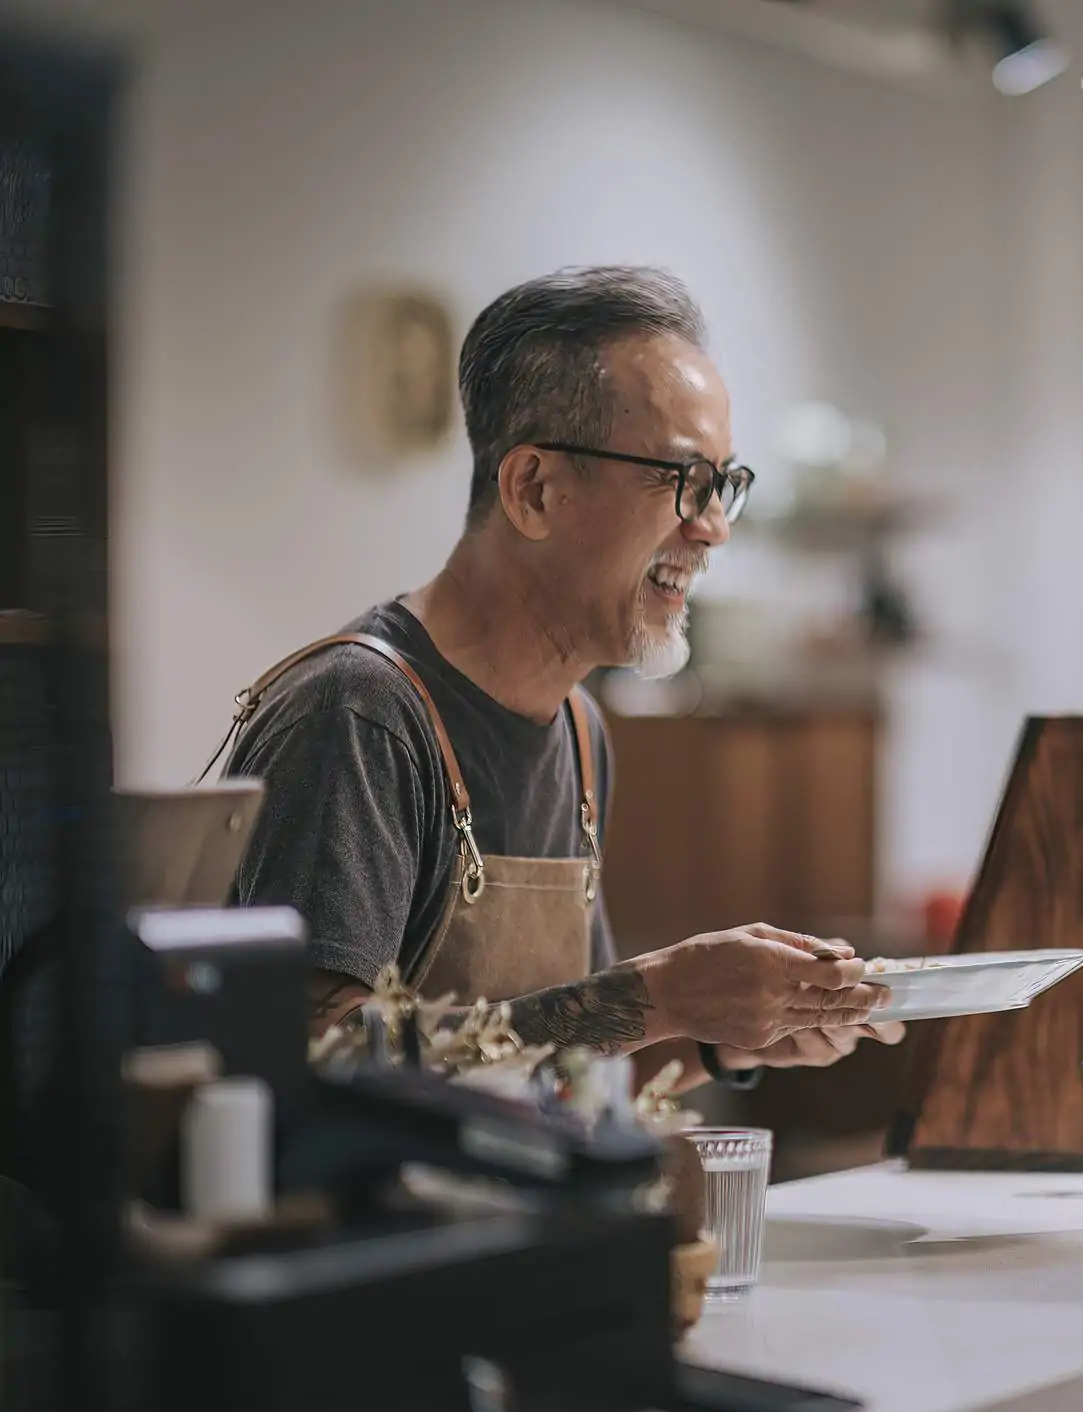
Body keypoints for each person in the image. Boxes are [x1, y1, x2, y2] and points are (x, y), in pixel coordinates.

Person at [215, 266, 901, 1092]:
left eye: (723, 485)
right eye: (683, 480)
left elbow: (569, 1061)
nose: (714, 527)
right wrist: (656, 997)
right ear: (534, 489)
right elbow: (313, 1069)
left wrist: (719, 1035)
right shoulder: (360, 716)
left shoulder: (579, 727)